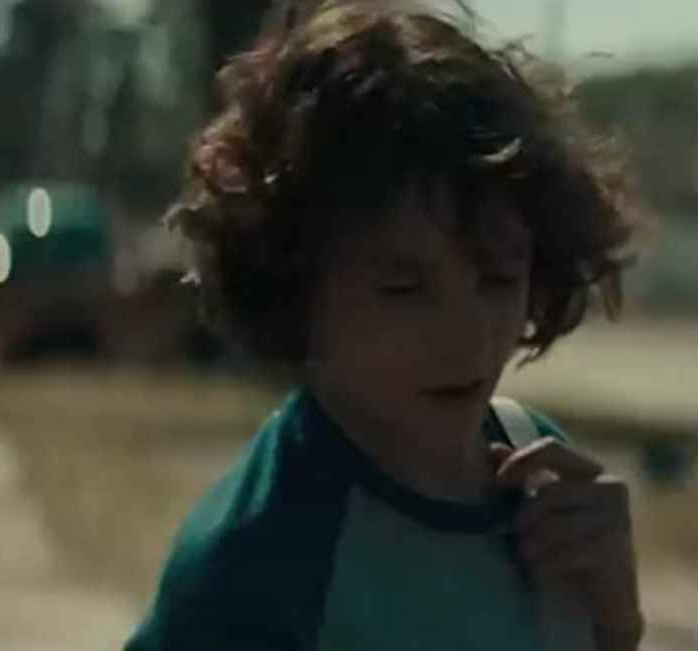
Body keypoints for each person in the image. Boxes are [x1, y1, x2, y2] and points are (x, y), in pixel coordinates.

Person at [124, 1, 643, 649]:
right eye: (404, 288)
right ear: (295, 286)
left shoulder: (544, 484)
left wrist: (615, 627)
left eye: (498, 278)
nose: (468, 333)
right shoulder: (254, 563)